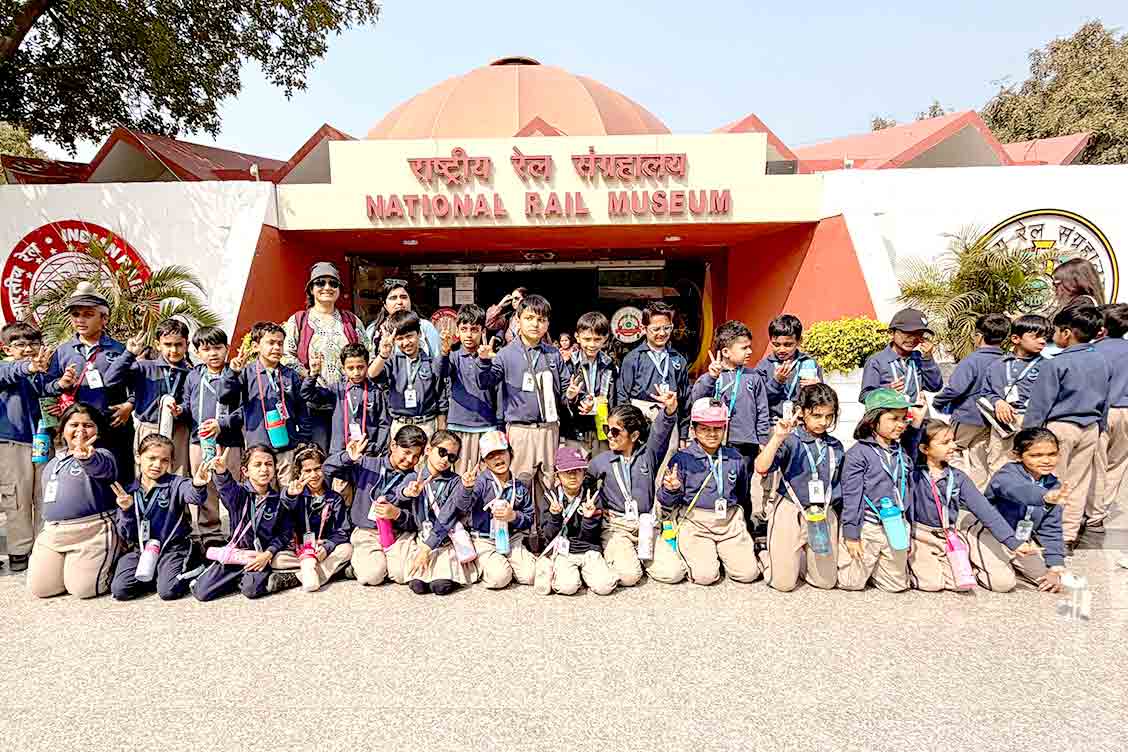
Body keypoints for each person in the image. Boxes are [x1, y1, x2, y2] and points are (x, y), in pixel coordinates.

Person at [476, 294, 566, 547]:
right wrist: (484, 361)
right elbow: (486, 383)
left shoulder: (553, 354)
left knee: (548, 483)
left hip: (549, 428)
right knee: (519, 482)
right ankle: (521, 537)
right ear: (518, 320)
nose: (535, 324)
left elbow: (566, 388)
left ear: (547, 324)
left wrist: (571, 395)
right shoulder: (506, 354)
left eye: (541, 320)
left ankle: (548, 536)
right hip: (519, 428)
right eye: (529, 318)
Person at [1022, 305, 1110, 551]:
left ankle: (1048, 534)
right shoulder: (1100, 360)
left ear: (1067, 333)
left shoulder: (1055, 364)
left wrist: (1027, 436)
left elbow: (1040, 405)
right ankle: (1067, 537)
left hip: (1060, 429)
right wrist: (1099, 427)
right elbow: (1105, 399)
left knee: (1050, 482)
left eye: (1057, 331)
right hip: (1090, 427)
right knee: (1078, 484)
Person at [905, 421, 1023, 592]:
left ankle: (960, 565)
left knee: (959, 585)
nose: (953, 446)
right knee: (931, 584)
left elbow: (984, 509)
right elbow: (909, 446)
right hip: (920, 536)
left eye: (952, 440)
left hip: (947, 536)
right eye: (945, 442)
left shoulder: (958, 476)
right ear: (924, 449)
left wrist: (1012, 541)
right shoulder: (913, 473)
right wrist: (916, 422)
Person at [658, 398, 761, 585]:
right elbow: (666, 503)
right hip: (696, 523)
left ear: (724, 428)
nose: (712, 434)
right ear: (694, 430)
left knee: (748, 574)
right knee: (705, 577)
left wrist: (748, 526)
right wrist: (670, 489)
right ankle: (709, 557)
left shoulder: (735, 458)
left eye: (717, 428)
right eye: (705, 428)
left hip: (729, 524)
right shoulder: (682, 459)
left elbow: (743, 496)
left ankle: (731, 554)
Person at [588, 389, 684, 586]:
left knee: (674, 573)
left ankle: (640, 558)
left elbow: (661, 433)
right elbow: (586, 491)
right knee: (629, 577)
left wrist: (669, 410)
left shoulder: (648, 455)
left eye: (615, 431)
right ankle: (624, 557)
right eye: (607, 429)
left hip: (646, 526)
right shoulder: (599, 462)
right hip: (617, 528)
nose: (609, 436)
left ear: (634, 435)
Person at [26, 403, 123, 598]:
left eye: (87, 425)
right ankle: (72, 567)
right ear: (63, 431)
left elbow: (103, 469)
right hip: (54, 532)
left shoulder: (102, 455)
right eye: (74, 425)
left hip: (91, 531)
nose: (80, 430)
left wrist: (87, 459)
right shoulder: (53, 462)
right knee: (41, 589)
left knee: (83, 590)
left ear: (98, 431)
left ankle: (117, 559)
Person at [43, 282, 135, 484]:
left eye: (87, 314)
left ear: (104, 319)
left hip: (114, 427)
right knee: (82, 481)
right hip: (79, 430)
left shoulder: (121, 350)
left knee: (119, 479)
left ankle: (122, 516)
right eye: (75, 314)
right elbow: (46, 387)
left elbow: (137, 385)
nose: (80, 320)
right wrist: (60, 383)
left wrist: (130, 405)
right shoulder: (63, 351)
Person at [755, 383, 843, 592]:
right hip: (791, 508)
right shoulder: (790, 441)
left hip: (822, 512)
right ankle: (765, 554)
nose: (824, 422)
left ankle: (799, 557)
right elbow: (761, 467)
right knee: (783, 584)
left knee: (826, 582)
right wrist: (777, 438)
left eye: (829, 416)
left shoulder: (836, 446)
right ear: (802, 413)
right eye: (817, 416)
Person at [838, 388, 924, 592]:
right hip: (868, 527)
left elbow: (912, 447)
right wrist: (851, 535)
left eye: (904, 418)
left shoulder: (901, 451)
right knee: (851, 583)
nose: (901, 424)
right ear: (872, 421)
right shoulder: (857, 454)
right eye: (893, 418)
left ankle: (876, 568)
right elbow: (852, 497)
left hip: (896, 525)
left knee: (896, 586)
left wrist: (917, 423)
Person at [282, 262, 372, 451]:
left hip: (347, 400)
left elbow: (367, 353)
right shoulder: (299, 320)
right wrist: (309, 375)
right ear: (311, 289)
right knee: (317, 454)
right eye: (320, 283)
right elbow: (286, 356)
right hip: (312, 403)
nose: (327, 288)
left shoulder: (351, 320)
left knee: (350, 452)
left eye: (333, 283)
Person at [109, 434, 210, 601]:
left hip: (172, 548)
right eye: (152, 458)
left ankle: (199, 566)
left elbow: (194, 497)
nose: (157, 465)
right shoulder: (128, 490)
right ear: (138, 457)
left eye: (164, 460)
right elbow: (126, 534)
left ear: (170, 462)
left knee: (168, 591)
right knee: (120, 590)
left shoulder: (176, 483)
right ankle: (158, 574)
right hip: (141, 550)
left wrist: (198, 485)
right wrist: (127, 510)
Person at [190, 445, 297, 600]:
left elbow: (284, 533)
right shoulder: (239, 494)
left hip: (260, 557)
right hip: (237, 554)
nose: (264, 469)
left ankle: (273, 578)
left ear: (274, 469)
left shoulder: (279, 500)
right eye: (257, 464)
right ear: (245, 471)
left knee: (250, 590)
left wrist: (268, 553)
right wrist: (221, 472)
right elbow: (227, 489)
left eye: (268, 464)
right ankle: (240, 577)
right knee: (201, 592)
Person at [323, 427, 427, 586]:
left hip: (398, 534)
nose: (409, 460)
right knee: (372, 576)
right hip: (367, 532)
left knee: (402, 575)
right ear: (393, 446)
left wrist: (397, 514)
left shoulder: (414, 480)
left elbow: (416, 522)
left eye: (416, 456)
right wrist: (348, 457)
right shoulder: (367, 464)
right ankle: (358, 566)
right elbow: (328, 469)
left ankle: (384, 564)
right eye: (406, 452)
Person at [969, 428, 1069, 593]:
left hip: (1021, 540)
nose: (1046, 460)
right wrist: (1045, 496)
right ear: (1017, 455)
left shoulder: (1054, 486)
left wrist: (1055, 565)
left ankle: (1003, 563)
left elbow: (1051, 528)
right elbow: (1016, 490)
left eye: (1052, 454)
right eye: (1036, 455)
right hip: (991, 534)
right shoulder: (1006, 474)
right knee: (1003, 584)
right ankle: (973, 559)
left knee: (1047, 578)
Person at [691, 320, 770, 524]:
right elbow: (697, 399)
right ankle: (714, 524)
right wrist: (711, 377)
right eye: (744, 347)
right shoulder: (712, 375)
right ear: (725, 351)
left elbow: (763, 410)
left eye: (749, 346)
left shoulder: (753, 377)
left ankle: (743, 526)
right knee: (714, 484)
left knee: (742, 488)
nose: (750, 351)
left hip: (744, 443)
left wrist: (762, 440)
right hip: (713, 442)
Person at [222, 321, 312, 484]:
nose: (277, 348)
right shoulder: (246, 373)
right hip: (259, 447)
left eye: (280, 343)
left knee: (287, 490)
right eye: (271, 343)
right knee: (262, 490)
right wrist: (233, 373)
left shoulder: (290, 375)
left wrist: (303, 440)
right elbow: (225, 397)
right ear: (256, 347)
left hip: (288, 446)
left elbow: (302, 409)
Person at [104, 319, 193, 480]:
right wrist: (129, 354)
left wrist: (182, 409)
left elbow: (190, 402)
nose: (173, 350)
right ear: (158, 344)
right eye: (168, 344)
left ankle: (176, 506)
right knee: (146, 478)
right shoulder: (144, 367)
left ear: (187, 344)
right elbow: (110, 380)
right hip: (148, 429)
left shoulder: (190, 373)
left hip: (178, 431)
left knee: (177, 478)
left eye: (179, 344)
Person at [931, 313, 1010, 489]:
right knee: (979, 458)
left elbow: (955, 389)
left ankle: (955, 489)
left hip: (967, 416)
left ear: (978, 336)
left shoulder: (972, 361)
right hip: (992, 419)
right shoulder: (1006, 360)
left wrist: (938, 401)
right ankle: (979, 493)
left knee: (951, 450)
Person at [450, 430, 536, 588]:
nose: (497, 458)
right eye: (491, 456)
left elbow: (529, 518)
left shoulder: (519, 486)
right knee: (499, 578)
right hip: (484, 539)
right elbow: (462, 506)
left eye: (501, 452)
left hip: (511, 538)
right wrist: (466, 488)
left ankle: (508, 563)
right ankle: (484, 565)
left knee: (530, 575)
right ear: (483, 462)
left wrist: (514, 516)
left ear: (510, 453)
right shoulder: (480, 482)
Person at [615, 301, 690, 477]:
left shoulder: (678, 360)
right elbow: (622, 395)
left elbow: (685, 397)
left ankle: (660, 504)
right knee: (638, 464)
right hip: (639, 415)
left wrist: (684, 432)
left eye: (667, 328)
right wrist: (625, 426)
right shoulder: (632, 358)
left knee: (667, 464)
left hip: (669, 414)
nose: (662, 333)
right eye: (656, 329)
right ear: (644, 328)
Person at [185, 326, 243, 546]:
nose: (213, 353)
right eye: (206, 349)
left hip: (229, 441)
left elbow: (244, 410)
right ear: (198, 353)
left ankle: (238, 530)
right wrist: (178, 410)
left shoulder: (236, 374)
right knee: (205, 485)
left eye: (218, 348)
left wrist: (222, 424)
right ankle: (211, 534)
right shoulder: (193, 377)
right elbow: (187, 404)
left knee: (232, 485)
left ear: (227, 349)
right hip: (199, 441)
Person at [0, 323, 50, 572]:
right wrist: (29, 367)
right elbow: (9, 374)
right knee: (17, 497)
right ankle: (20, 550)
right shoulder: (4, 368)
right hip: (12, 441)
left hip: (43, 440)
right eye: (20, 345)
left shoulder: (41, 372)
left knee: (43, 494)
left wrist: (60, 384)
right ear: (6, 347)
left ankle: (43, 547)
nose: (28, 349)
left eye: (33, 344)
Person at [534, 446, 617, 596]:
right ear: (557, 475)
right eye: (567, 471)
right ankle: (556, 570)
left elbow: (590, 537)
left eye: (578, 470)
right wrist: (555, 516)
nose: (573, 476)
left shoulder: (592, 497)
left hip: (588, 549)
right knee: (567, 587)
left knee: (605, 587)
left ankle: (586, 574)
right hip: (562, 551)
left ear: (584, 473)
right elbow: (548, 536)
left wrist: (588, 518)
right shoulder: (550, 498)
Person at [398, 431, 471, 596]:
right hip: (420, 537)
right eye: (442, 452)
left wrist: (426, 549)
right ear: (428, 449)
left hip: (445, 539)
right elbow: (398, 492)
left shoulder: (455, 481)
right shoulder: (413, 476)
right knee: (417, 586)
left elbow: (449, 515)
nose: (446, 459)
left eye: (451, 457)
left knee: (440, 586)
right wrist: (408, 492)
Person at [275, 444, 353, 592]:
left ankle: (299, 577)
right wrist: (291, 496)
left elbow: (343, 531)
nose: (313, 475)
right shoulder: (294, 493)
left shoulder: (334, 498)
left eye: (317, 469)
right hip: (299, 549)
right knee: (277, 559)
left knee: (347, 549)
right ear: (299, 473)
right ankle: (321, 571)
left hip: (322, 549)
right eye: (307, 471)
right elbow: (284, 512)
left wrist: (327, 546)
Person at [983, 314, 1051, 477]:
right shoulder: (997, 365)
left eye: (1044, 337)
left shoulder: (1048, 366)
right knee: (998, 465)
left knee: (1032, 467)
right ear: (1015, 338)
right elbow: (985, 392)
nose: (1042, 341)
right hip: (1002, 424)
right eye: (1036, 336)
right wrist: (997, 401)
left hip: (1033, 423)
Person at [370, 310, 450, 440]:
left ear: (419, 334)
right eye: (400, 339)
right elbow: (372, 375)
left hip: (427, 425)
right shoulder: (391, 361)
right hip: (400, 425)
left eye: (409, 336)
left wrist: (441, 428)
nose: (406, 342)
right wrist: (383, 354)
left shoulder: (430, 362)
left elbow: (441, 394)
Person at [301, 342, 389, 457]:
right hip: (340, 452)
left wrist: (376, 448)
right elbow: (307, 394)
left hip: (367, 452)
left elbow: (384, 423)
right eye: (350, 368)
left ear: (367, 365)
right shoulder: (336, 390)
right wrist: (313, 374)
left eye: (360, 367)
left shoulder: (375, 391)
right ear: (343, 368)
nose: (356, 372)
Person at [445, 304, 501, 474]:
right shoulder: (453, 356)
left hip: (487, 426)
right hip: (458, 425)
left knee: (486, 477)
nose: (469, 334)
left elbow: (496, 391)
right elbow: (440, 373)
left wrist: (485, 361)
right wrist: (444, 352)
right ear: (457, 331)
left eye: (474, 329)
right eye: (464, 329)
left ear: (483, 331)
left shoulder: (495, 357)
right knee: (461, 475)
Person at [858, 308, 942, 408]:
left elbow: (935, 387)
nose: (912, 339)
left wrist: (928, 358)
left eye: (919, 334)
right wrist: (886, 392)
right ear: (891, 334)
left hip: (917, 419)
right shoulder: (876, 361)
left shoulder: (920, 358)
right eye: (907, 332)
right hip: (890, 420)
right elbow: (864, 397)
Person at [561, 311, 617, 459]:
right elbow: (561, 398)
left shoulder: (610, 365)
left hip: (602, 429)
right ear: (577, 337)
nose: (592, 344)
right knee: (574, 472)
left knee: (601, 473)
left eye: (597, 339)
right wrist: (571, 397)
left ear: (605, 339)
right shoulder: (568, 364)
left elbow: (613, 398)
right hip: (575, 429)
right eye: (587, 339)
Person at [1093, 304, 1128, 528]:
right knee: (1118, 463)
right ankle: (1101, 512)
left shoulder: (1093, 351)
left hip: (1101, 412)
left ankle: (1091, 510)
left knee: (1096, 463)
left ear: (1101, 327)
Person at [754, 314, 824, 420]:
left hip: (802, 424)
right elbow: (757, 399)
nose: (781, 350)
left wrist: (817, 386)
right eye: (776, 344)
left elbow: (823, 398)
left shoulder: (809, 363)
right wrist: (776, 382)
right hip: (773, 423)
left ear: (799, 341)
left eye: (788, 345)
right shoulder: (764, 366)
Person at [366, 280, 441, 357]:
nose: (399, 302)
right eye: (393, 298)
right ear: (384, 304)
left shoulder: (425, 326)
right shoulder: (373, 330)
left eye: (404, 297)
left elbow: (437, 359)